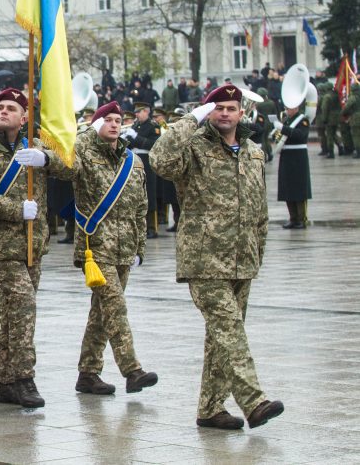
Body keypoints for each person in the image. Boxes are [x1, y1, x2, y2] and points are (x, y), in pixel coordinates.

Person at [151, 84, 284, 430]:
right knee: (230, 328)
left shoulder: (254, 151)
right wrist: (190, 118)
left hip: (243, 259)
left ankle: (210, 408)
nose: (224, 113)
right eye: (217, 107)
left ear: (242, 113)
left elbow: (259, 210)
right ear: (207, 111)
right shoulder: (192, 147)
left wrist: (258, 252)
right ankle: (254, 401)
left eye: (230, 108)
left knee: (220, 336)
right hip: (204, 258)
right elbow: (159, 159)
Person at [0, 88, 66, 408]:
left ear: (24, 117)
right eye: (0, 108)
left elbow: (71, 167)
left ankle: (6, 381)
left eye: (11, 108)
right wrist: (15, 210)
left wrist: (46, 157)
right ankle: (24, 377)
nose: (3, 112)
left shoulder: (34, 146)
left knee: (13, 314)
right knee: (23, 305)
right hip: (2, 246)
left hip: (34, 244)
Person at [64, 102, 158, 396]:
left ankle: (88, 373)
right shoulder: (84, 153)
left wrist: (140, 246)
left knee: (101, 313)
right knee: (115, 308)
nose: (115, 124)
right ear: (95, 124)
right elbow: (67, 163)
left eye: (118, 120)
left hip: (125, 247)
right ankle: (132, 370)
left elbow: (141, 206)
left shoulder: (133, 161)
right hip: (97, 249)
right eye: (107, 119)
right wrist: (87, 132)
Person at [122, 102, 159, 239]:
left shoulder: (153, 126)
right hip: (134, 161)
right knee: (136, 194)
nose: (136, 114)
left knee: (149, 193)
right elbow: (131, 145)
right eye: (136, 112)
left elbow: (153, 144)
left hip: (147, 162)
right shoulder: (135, 125)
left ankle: (151, 227)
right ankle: (139, 226)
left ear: (146, 111)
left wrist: (136, 137)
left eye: (139, 112)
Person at [273, 107, 312, 229]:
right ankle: (293, 218)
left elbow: (300, 135)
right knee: (288, 188)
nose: (287, 110)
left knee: (299, 188)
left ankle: (302, 219)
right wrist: (277, 134)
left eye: (289, 108)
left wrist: (283, 128)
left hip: (298, 157)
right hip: (286, 156)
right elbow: (279, 137)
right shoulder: (287, 120)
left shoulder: (303, 120)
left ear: (296, 108)